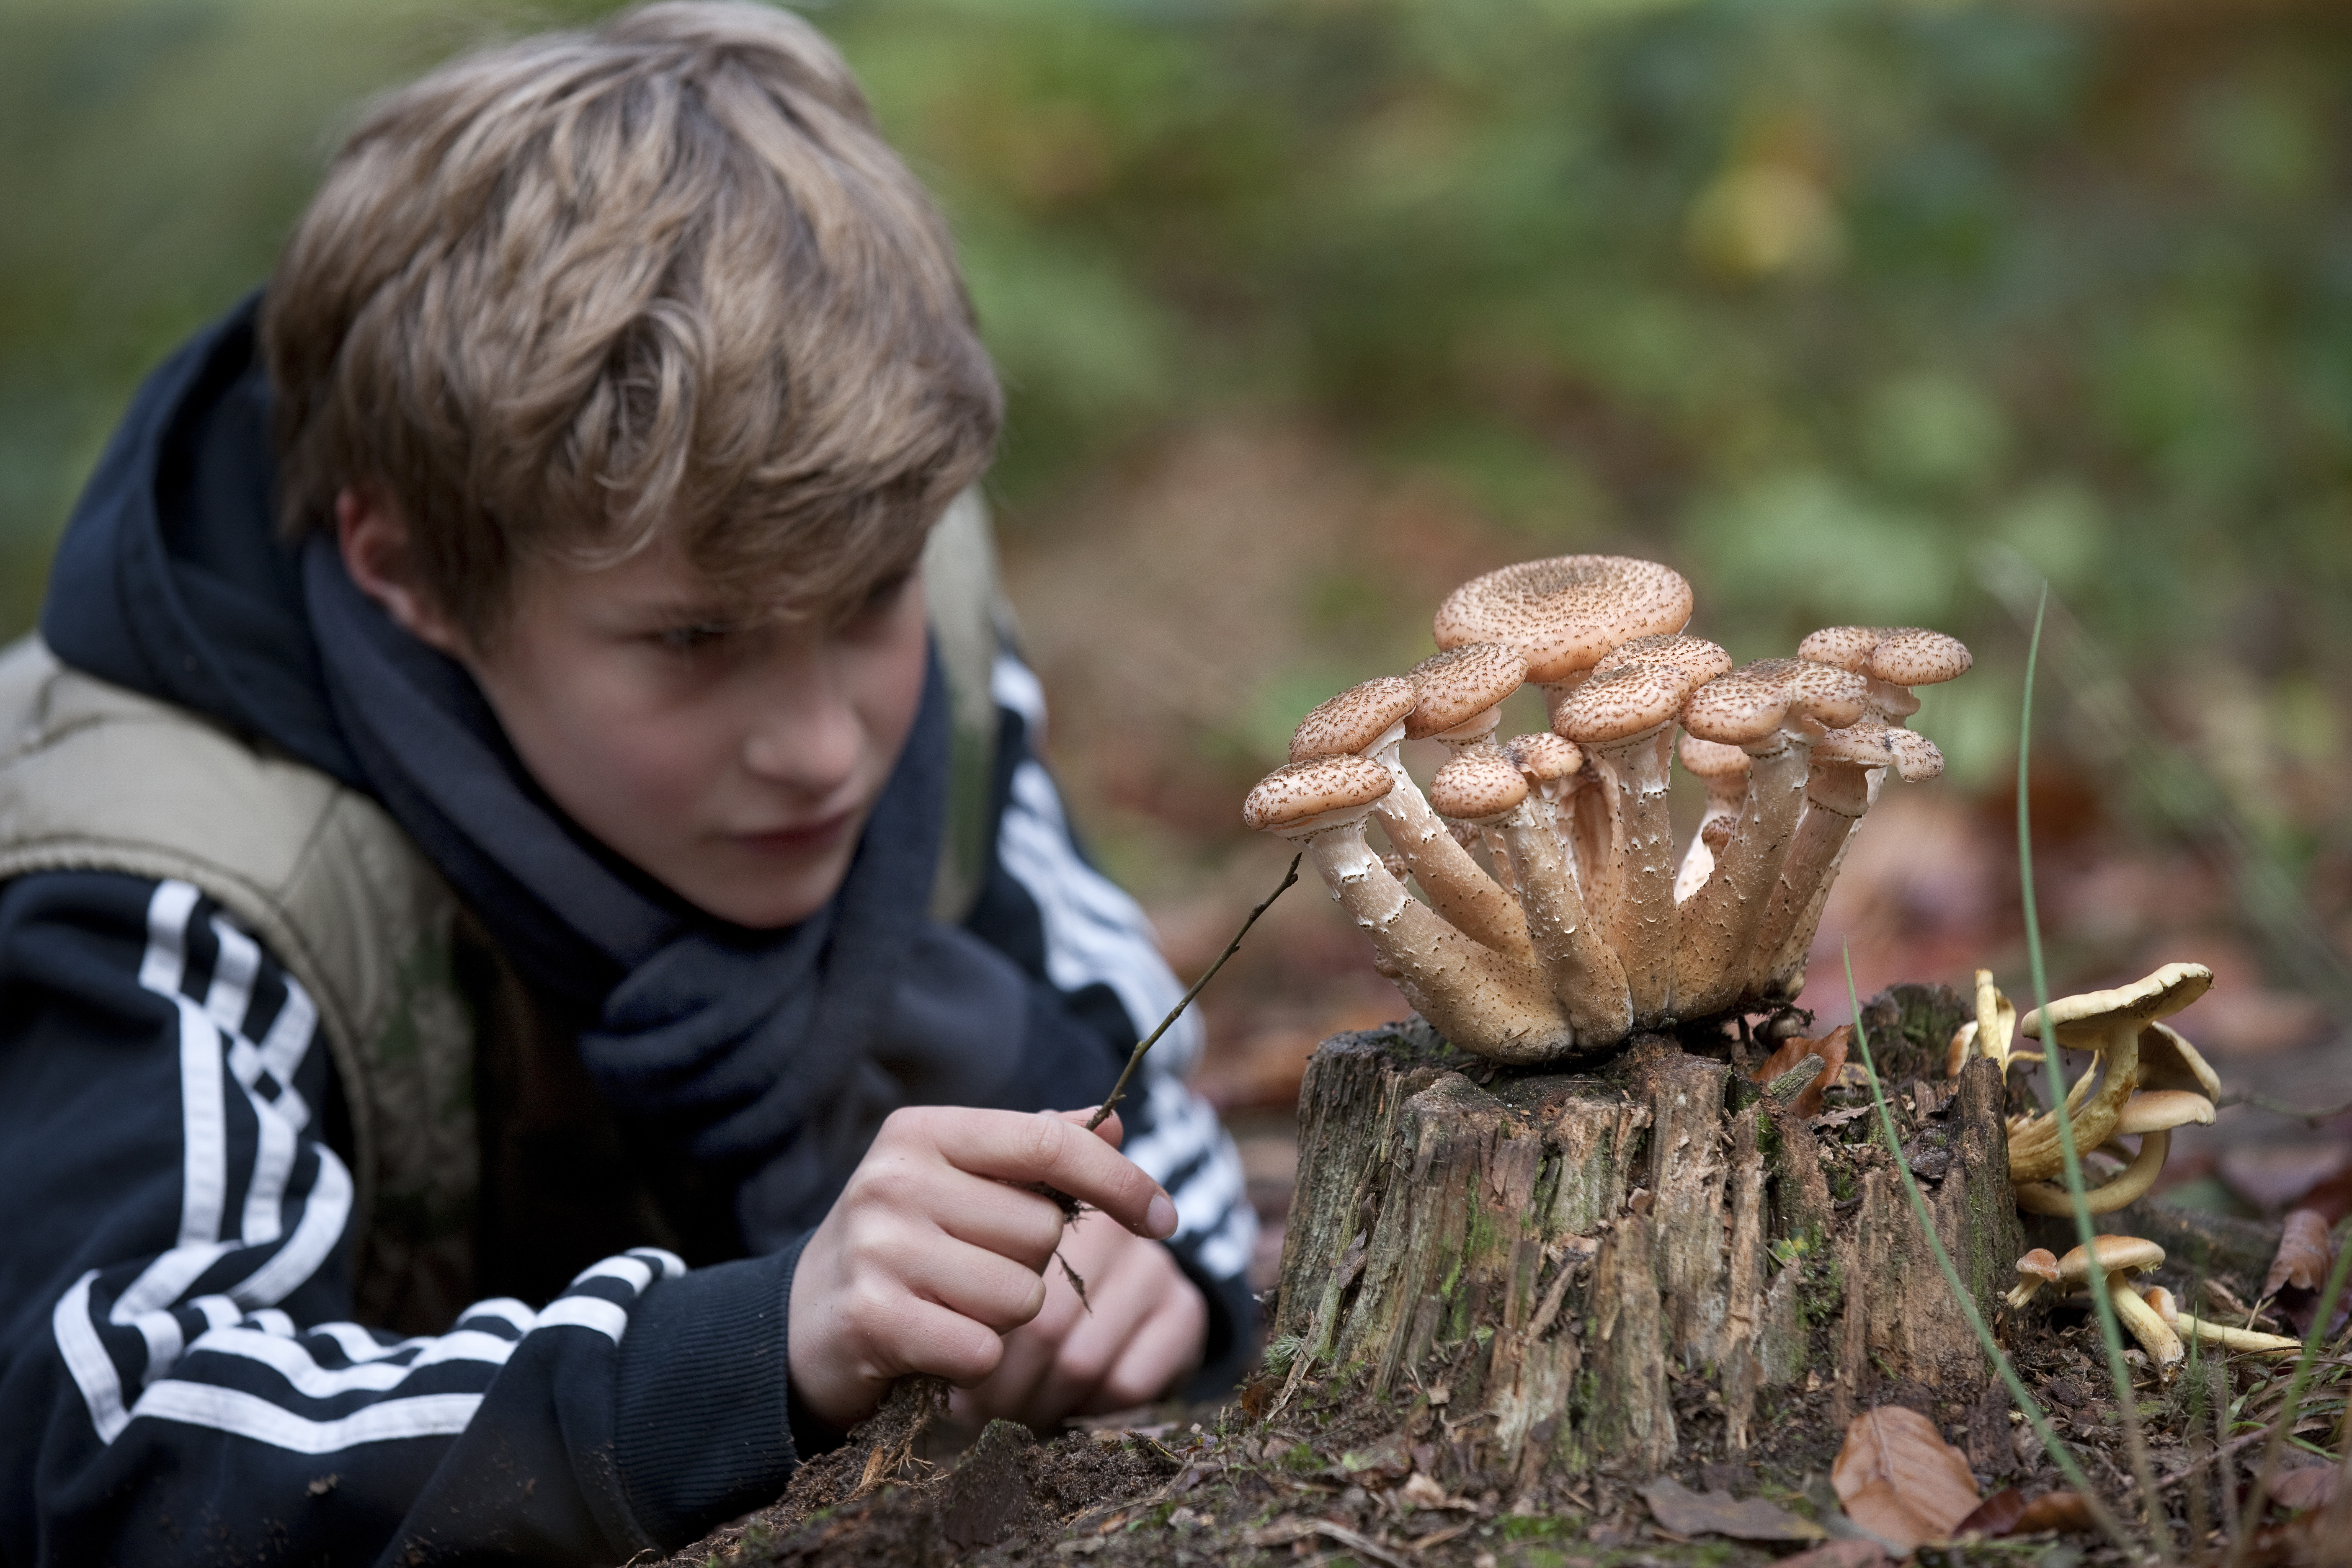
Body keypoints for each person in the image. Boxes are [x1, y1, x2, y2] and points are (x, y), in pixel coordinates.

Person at [0, 5, 1257, 1562]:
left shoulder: (908, 613)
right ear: (407, 568)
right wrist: (745, 1351)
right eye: (692, 640)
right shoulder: (172, 864)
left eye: (866, 600)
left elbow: (1140, 1085)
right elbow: (115, 1451)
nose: (824, 746)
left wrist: (1148, 1283)